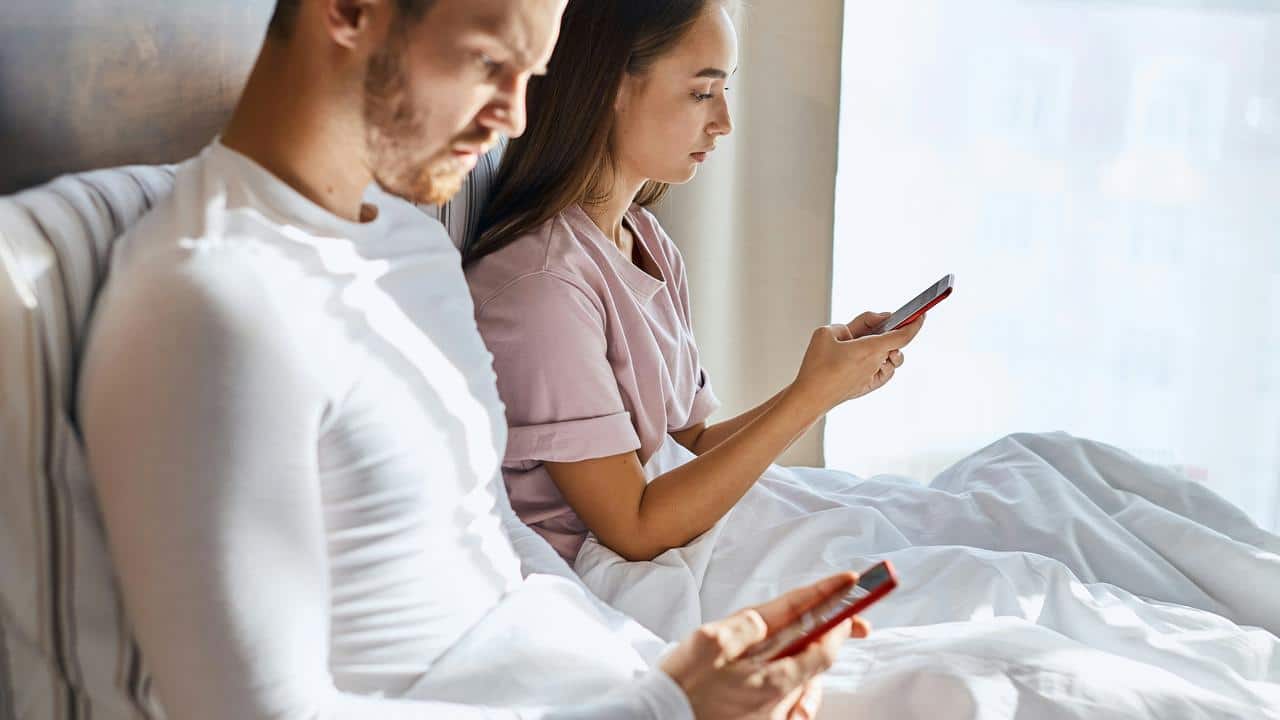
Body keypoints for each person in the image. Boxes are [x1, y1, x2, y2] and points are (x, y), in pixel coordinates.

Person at [72, 0, 869, 718]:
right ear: (351, 13)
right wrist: (667, 707)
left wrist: (662, 663)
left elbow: (491, 539)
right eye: (491, 64)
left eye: (532, 74)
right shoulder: (209, 306)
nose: (518, 121)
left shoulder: (412, 249)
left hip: (578, 657)